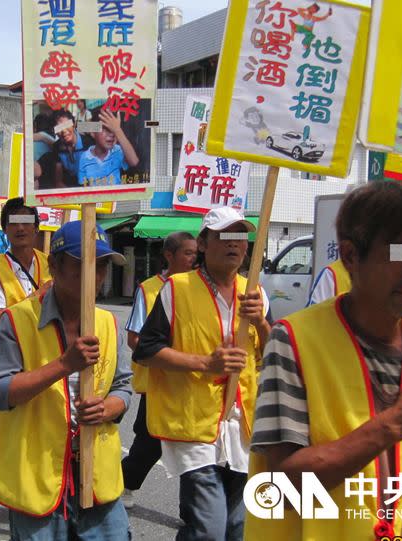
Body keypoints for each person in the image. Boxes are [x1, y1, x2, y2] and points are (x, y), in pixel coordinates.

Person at [247, 182, 402, 540]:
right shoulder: (294, 340)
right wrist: (395, 423)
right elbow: (282, 487)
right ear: (350, 255)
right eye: (399, 255)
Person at [0, 221, 132, 540]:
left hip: (97, 475)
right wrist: (64, 364)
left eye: (102, 266)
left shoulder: (108, 323)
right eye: (83, 265)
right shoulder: (18, 320)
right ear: (54, 266)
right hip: (39, 477)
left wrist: (108, 408)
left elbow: (123, 387)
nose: (95, 276)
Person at [133, 207, 272, 540]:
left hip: (242, 427)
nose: (234, 244)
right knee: (210, 528)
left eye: (240, 236)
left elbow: (271, 353)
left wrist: (261, 323)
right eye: (224, 235)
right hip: (194, 424)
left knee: (237, 528)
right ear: (204, 243)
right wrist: (205, 364)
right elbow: (146, 350)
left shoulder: (255, 293)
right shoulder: (176, 289)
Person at [121, 231, 197, 509]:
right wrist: (170, 359)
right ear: (169, 255)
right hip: (157, 384)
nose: (193, 258)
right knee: (148, 444)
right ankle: (122, 484)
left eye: (195, 252)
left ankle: (196, 511)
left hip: (192, 384)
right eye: (188, 253)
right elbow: (135, 339)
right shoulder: (150, 289)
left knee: (194, 449)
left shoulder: (199, 287)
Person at [0, 198, 52, 362]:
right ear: (5, 229)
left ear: (36, 228)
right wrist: (39, 294)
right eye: (13, 223)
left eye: (26, 222)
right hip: (10, 359)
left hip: (44, 355)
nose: (20, 228)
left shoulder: (49, 263)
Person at [77, 109, 139, 187]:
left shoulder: (117, 150)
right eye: (105, 129)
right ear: (93, 133)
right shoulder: (84, 158)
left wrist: (118, 130)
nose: (111, 134)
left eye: (113, 130)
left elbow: (134, 162)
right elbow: (83, 185)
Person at [53, 110, 94, 187]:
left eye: (66, 125)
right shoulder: (56, 147)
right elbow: (58, 181)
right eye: (59, 128)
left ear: (73, 125)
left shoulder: (88, 142)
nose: (64, 131)